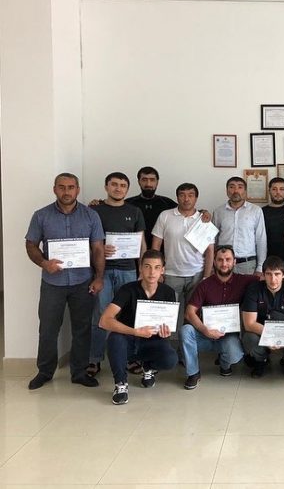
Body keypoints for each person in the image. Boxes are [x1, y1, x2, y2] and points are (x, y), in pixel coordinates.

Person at [25, 173, 105, 390]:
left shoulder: (91, 215)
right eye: (62, 187)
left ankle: (79, 372)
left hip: (83, 282)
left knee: (82, 329)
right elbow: (31, 244)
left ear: (78, 189)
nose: (66, 191)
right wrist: (44, 263)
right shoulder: (41, 216)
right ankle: (44, 372)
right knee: (48, 329)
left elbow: (98, 248)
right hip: (53, 283)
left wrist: (99, 277)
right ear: (55, 189)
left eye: (71, 187)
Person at [99, 250, 178, 405]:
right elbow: (104, 321)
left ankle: (147, 367)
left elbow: (167, 325)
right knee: (115, 339)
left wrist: (165, 332)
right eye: (147, 266)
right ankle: (121, 384)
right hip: (128, 340)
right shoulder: (127, 289)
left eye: (156, 267)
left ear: (162, 270)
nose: (152, 272)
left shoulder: (168, 292)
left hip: (152, 341)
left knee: (171, 359)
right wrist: (135, 331)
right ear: (140, 268)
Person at [87, 172, 146, 377]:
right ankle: (94, 359)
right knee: (100, 315)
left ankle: (129, 358)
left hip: (128, 271)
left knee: (129, 315)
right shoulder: (94, 210)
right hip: (101, 272)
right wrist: (100, 248)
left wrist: (142, 271)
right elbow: (86, 240)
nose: (118, 188)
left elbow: (141, 243)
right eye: (114, 184)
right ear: (106, 187)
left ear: (127, 189)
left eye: (123, 185)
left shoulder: (134, 211)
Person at [180, 245, 257, 389]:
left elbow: (269, 277)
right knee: (185, 331)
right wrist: (205, 330)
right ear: (214, 262)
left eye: (228, 259)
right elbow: (189, 312)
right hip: (205, 335)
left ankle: (224, 363)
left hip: (228, 336)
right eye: (220, 260)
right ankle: (193, 373)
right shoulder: (205, 284)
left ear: (234, 261)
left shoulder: (243, 280)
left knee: (235, 354)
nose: (224, 263)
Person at [151, 183, 214, 337]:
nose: (186, 199)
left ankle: (187, 348)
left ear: (196, 198)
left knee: (192, 316)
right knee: (168, 316)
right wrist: (158, 272)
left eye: (190, 195)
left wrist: (206, 277)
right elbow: (156, 246)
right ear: (177, 197)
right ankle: (169, 348)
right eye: (182, 195)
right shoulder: (165, 216)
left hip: (197, 274)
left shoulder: (204, 220)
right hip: (171, 274)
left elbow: (210, 251)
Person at [242, 255, 284, 378]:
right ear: (263, 275)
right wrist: (271, 336)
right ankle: (261, 360)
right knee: (249, 338)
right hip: (262, 330)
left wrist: (283, 337)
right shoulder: (254, 289)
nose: (273, 279)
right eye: (269, 274)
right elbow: (249, 324)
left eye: (277, 274)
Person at [213, 176, 267, 275]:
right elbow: (213, 239)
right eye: (232, 187)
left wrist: (260, 267)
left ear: (245, 191)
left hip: (247, 265)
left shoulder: (255, 211)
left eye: (240, 187)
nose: (236, 191)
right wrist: (213, 264)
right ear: (227, 190)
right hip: (223, 263)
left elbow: (261, 239)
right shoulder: (218, 212)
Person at [126, 166, 177, 249]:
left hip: (162, 253)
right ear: (139, 182)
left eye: (152, 180)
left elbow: (187, 212)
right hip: (133, 251)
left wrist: (201, 213)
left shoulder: (168, 203)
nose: (148, 184)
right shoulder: (128, 204)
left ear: (157, 182)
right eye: (144, 180)